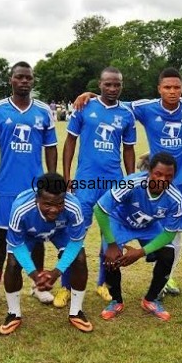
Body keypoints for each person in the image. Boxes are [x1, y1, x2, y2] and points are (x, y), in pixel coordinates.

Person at [75, 68, 182, 297]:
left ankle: (167, 278)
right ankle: (108, 283)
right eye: (167, 87)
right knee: (132, 222)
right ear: (159, 89)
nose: (172, 92)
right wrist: (93, 96)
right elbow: (115, 102)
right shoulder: (146, 107)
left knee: (175, 232)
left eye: (177, 87)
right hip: (153, 178)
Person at [0, 62, 58, 309]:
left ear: (33, 81)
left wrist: (53, 180)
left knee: (37, 237)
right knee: (2, 238)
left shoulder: (44, 111)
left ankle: (37, 286)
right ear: (11, 80)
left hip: (36, 188)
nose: (24, 81)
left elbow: (51, 147)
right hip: (6, 188)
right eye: (19, 77)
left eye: (28, 78)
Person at [59, 67, 136, 307]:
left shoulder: (126, 114)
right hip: (85, 181)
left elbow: (129, 149)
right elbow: (70, 141)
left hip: (113, 182)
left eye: (117, 85)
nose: (112, 89)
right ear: (100, 85)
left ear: (121, 86)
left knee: (109, 236)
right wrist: (67, 175)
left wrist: (131, 180)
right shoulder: (84, 107)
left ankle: (103, 283)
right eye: (108, 84)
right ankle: (65, 285)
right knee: (75, 233)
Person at [0, 173, 92, 335]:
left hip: (59, 231)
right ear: (37, 199)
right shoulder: (21, 208)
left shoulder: (74, 206)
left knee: (80, 258)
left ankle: (76, 311)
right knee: (13, 263)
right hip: (29, 234)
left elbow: (76, 241)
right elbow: (17, 244)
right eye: (48, 204)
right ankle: (13, 313)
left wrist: (56, 273)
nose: (55, 209)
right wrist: (35, 276)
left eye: (59, 203)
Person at [94, 152, 182, 321]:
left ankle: (150, 299)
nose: (163, 179)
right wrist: (112, 244)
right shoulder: (132, 183)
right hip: (119, 222)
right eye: (158, 174)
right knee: (110, 258)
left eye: (169, 176)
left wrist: (141, 252)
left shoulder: (175, 198)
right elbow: (100, 209)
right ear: (150, 171)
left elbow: (169, 232)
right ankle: (116, 301)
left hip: (148, 226)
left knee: (168, 254)